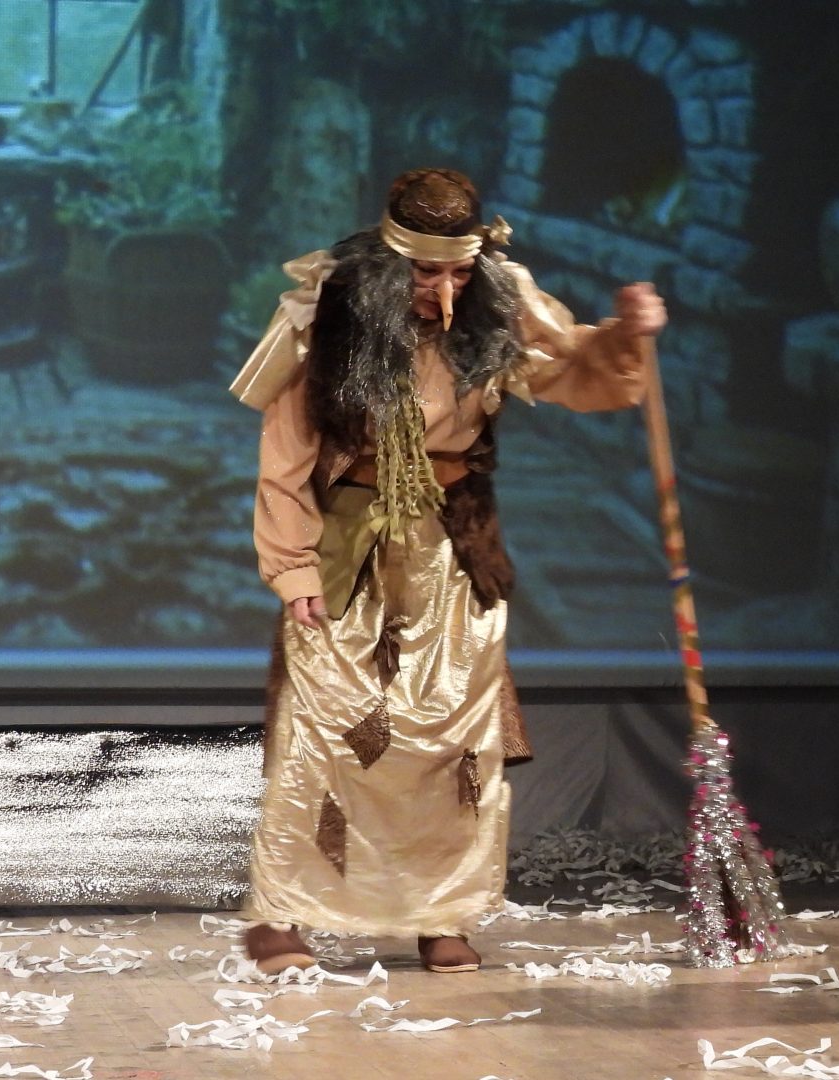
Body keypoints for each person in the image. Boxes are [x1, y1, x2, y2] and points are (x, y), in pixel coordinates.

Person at [228, 168, 665, 973]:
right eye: (425, 274)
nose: (444, 291)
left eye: (458, 272)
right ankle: (283, 914)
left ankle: (442, 912)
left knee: (453, 736)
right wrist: (292, 569)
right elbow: (285, 451)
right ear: (391, 262)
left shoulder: (499, 301)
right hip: (352, 544)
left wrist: (625, 336)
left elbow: (573, 367)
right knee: (326, 725)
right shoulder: (329, 311)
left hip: (455, 544)